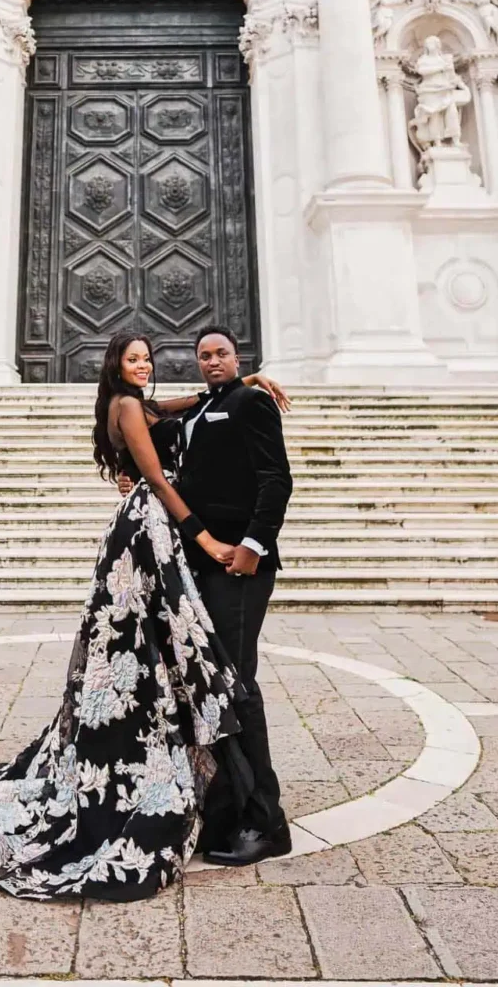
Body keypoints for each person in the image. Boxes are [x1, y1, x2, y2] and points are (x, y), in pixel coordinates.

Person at [0, 333, 288, 901]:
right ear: (115, 366)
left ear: (233, 358)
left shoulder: (193, 402)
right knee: (172, 669)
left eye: (148, 358)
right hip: (162, 538)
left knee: (212, 676)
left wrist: (243, 385)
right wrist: (205, 536)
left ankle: (256, 814)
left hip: (192, 548)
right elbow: (159, 475)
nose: (144, 366)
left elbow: (205, 429)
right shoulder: (126, 406)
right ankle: (226, 803)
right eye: (132, 359)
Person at [172, 325, 294, 864]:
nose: (212, 361)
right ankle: (227, 806)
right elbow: (140, 411)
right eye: (204, 355)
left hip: (240, 566)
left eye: (221, 353)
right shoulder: (202, 409)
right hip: (201, 563)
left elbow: (276, 479)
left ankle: (267, 823)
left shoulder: (250, 404)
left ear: (237, 356)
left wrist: (252, 546)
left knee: (238, 685)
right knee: (215, 684)